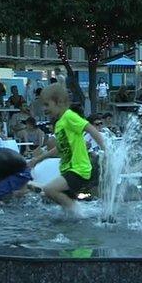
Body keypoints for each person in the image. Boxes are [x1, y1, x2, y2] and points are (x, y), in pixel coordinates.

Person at [28, 83, 106, 215]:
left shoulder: (69, 116)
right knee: (47, 196)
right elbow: (60, 147)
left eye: (47, 104)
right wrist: (38, 159)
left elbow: (91, 128)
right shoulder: (60, 124)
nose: (44, 109)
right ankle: (78, 217)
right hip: (68, 169)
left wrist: (106, 149)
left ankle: (81, 215)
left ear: (58, 102)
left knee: (50, 190)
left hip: (78, 169)